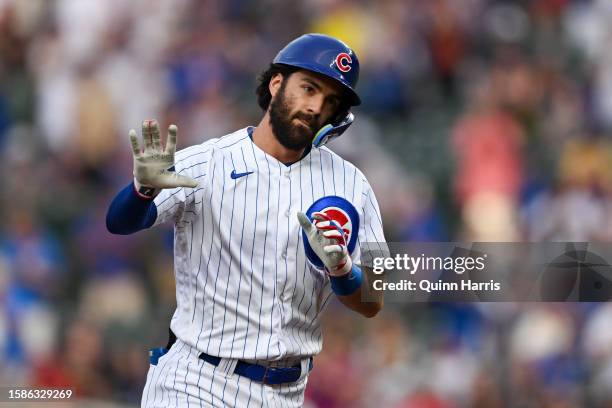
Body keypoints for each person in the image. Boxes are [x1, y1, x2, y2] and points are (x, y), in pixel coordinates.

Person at [106, 33, 386, 407]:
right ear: (276, 83)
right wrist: (142, 191)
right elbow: (119, 222)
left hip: (287, 392)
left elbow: (373, 300)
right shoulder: (209, 162)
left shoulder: (352, 184)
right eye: (308, 88)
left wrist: (343, 272)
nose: (316, 106)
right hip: (196, 381)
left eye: (330, 100)